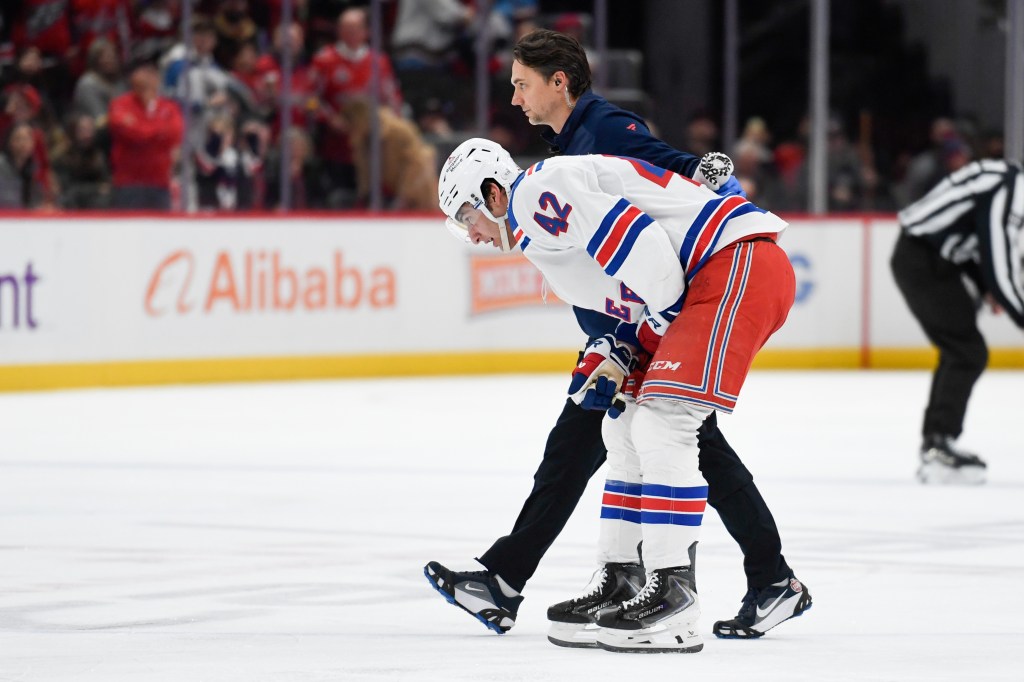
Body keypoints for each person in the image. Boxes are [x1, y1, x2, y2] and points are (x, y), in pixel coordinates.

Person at [423, 28, 811, 646]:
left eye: (467, 215)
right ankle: (631, 579)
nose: (469, 233)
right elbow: (629, 271)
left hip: (723, 266)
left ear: (492, 193)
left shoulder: (543, 186)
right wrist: (623, 346)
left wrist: (657, 322)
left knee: (665, 424)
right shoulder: (538, 216)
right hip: (695, 283)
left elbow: (647, 234)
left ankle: (676, 593)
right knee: (625, 425)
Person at [891, 158, 1024, 485]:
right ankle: (938, 444)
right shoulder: (1010, 186)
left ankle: (937, 441)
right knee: (966, 351)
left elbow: (970, 237)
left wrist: (985, 286)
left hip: (928, 257)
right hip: (922, 259)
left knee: (962, 350)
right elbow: (1000, 259)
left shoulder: (1005, 178)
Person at [107, 57, 183, 209]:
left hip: (160, 183)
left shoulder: (170, 107)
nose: (146, 78)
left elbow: (175, 133)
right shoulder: (120, 104)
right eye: (142, 73)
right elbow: (130, 133)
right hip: (128, 183)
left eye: (151, 73)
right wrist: (158, 131)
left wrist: (143, 127)